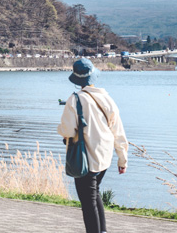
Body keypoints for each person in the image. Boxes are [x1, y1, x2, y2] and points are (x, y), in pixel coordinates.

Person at [58, 57, 129, 233]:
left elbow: (67, 131)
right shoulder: (107, 98)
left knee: (88, 203)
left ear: (77, 80)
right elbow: (118, 132)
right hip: (104, 156)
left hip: (85, 157)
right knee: (94, 193)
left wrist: (63, 132)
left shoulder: (74, 99)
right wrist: (122, 159)